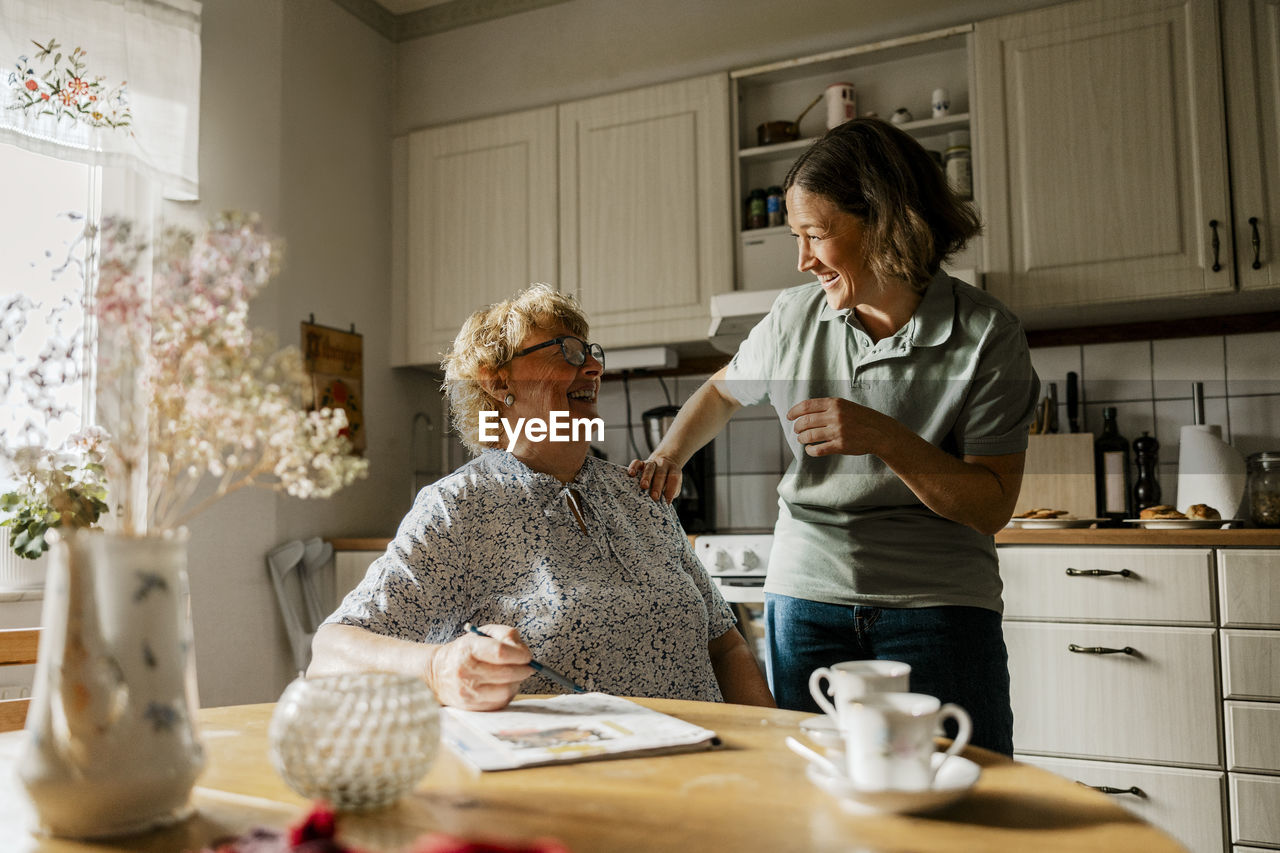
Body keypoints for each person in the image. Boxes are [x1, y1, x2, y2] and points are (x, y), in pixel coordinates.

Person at [629, 118, 1038, 755]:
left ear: (886, 221)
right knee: (813, 794)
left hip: (937, 605)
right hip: (806, 596)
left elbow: (990, 505)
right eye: (797, 237)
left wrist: (883, 436)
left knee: (964, 794)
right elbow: (722, 390)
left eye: (816, 235)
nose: (802, 260)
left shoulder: (985, 333)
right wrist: (668, 454)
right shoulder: (795, 316)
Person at [310, 284, 774, 711]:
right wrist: (437, 668)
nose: (593, 367)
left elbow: (724, 644)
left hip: (704, 769)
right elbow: (331, 650)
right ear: (497, 381)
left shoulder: (639, 494)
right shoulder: (459, 507)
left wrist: (767, 747)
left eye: (591, 352)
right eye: (567, 352)